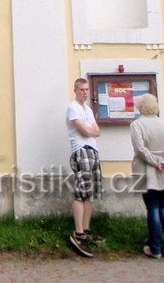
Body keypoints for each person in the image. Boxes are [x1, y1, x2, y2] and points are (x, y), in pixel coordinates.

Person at [130, 93, 164, 259]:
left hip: (147, 169)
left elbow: (140, 149)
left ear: (140, 107)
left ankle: (155, 248)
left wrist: (155, 162)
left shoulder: (137, 125)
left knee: (152, 207)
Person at [66, 77, 102, 257]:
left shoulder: (87, 109)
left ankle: (86, 230)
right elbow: (88, 131)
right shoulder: (73, 107)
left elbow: (97, 130)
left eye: (87, 90)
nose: (85, 92)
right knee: (81, 192)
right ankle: (78, 233)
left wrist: (91, 130)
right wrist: (91, 130)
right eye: (82, 90)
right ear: (75, 90)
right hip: (81, 150)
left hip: (93, 151)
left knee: (91, 193)